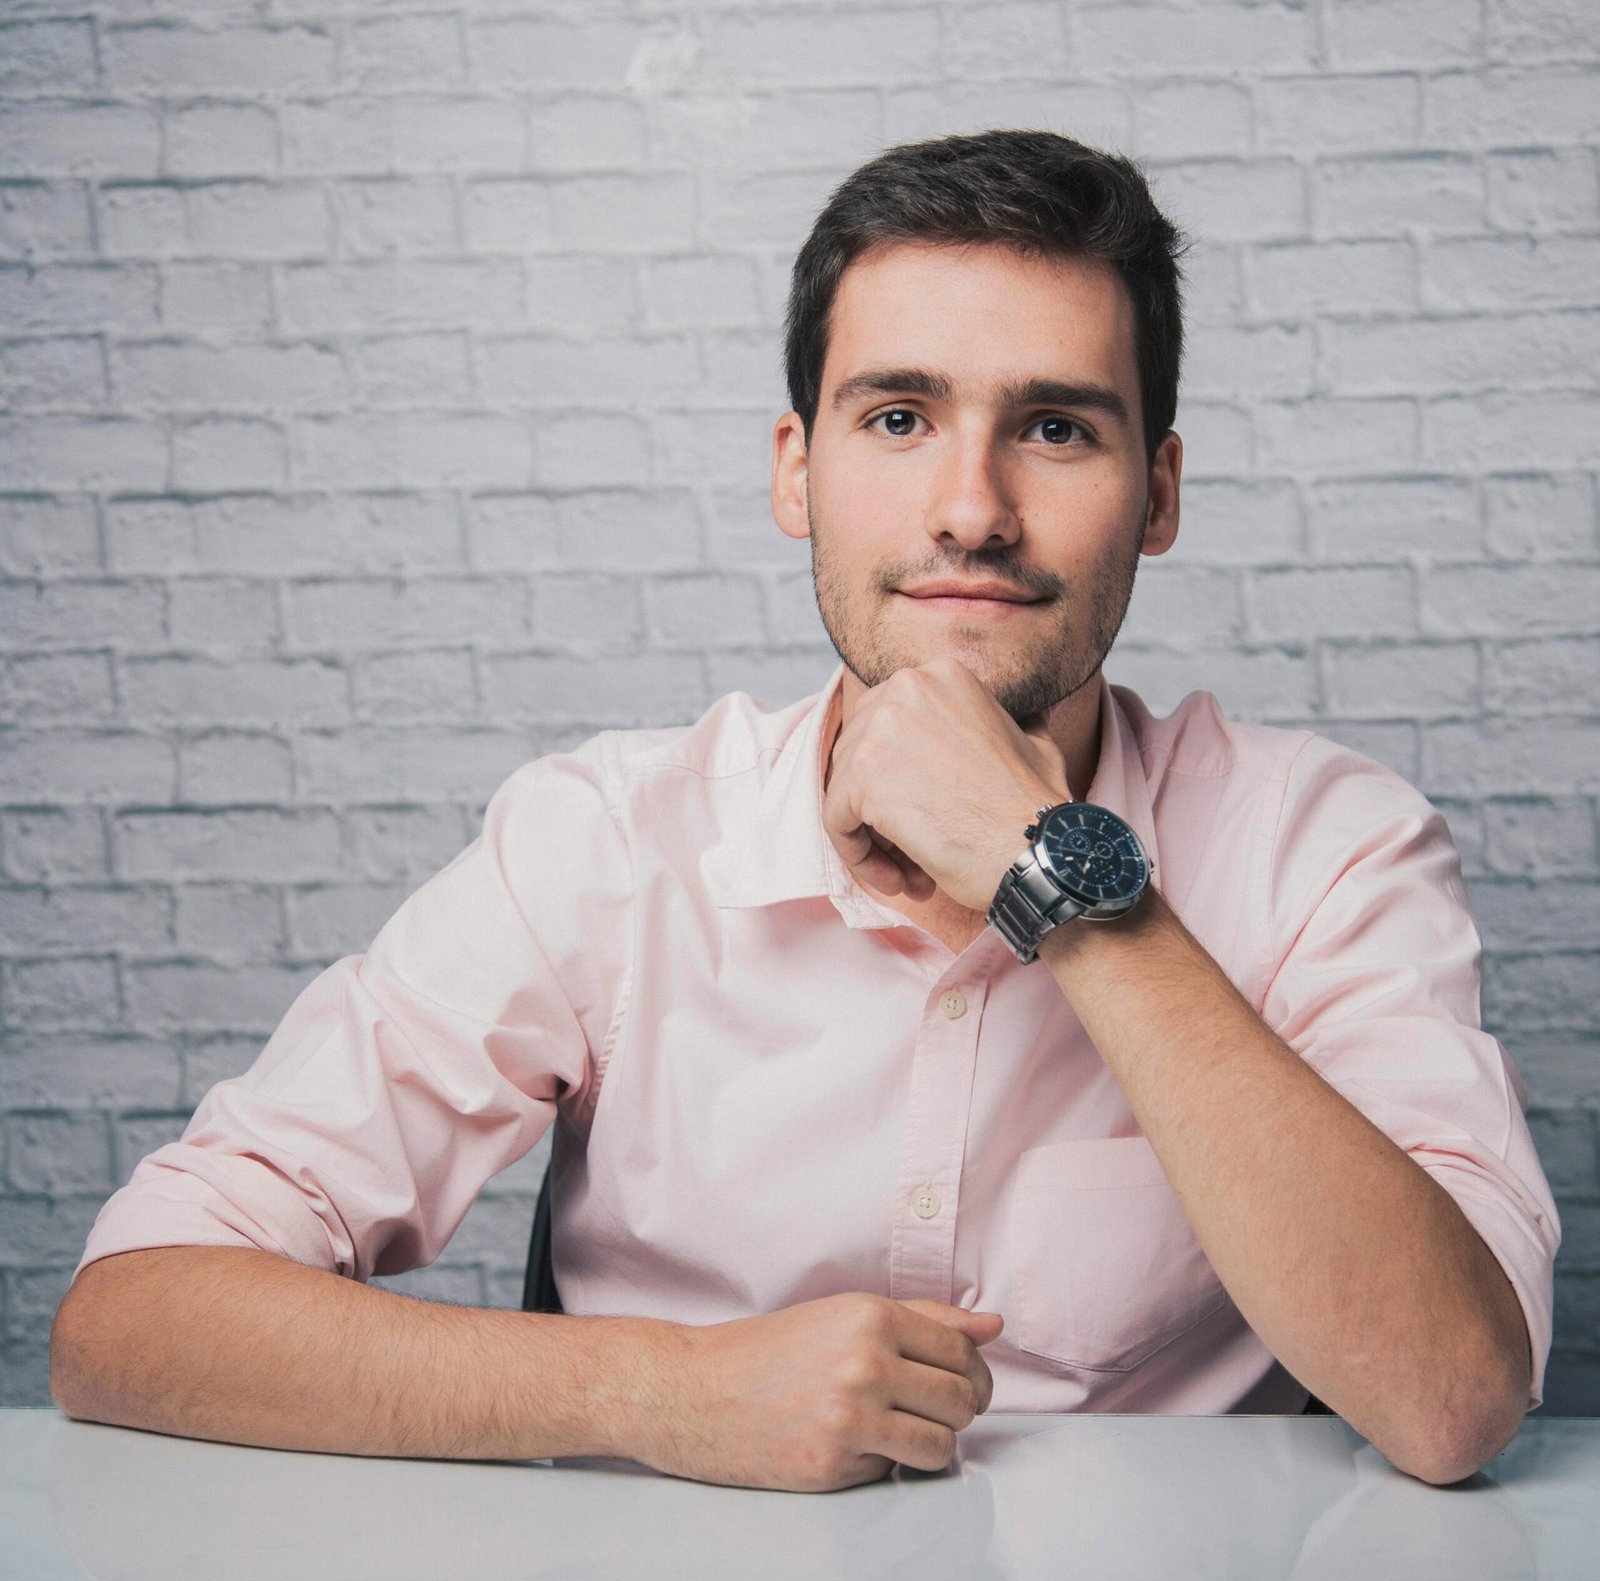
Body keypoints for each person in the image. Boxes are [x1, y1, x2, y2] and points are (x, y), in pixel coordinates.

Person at [50, 129, 1558, 1493]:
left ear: (1156, 494)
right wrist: (662, 1391)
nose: (971, 509)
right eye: (899, 418)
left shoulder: (1325, 847)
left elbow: (1454, 1400)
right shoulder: (604, 843)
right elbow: (133, 1316)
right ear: (798, 474)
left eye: (1056, 428)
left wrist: (1058, 881)